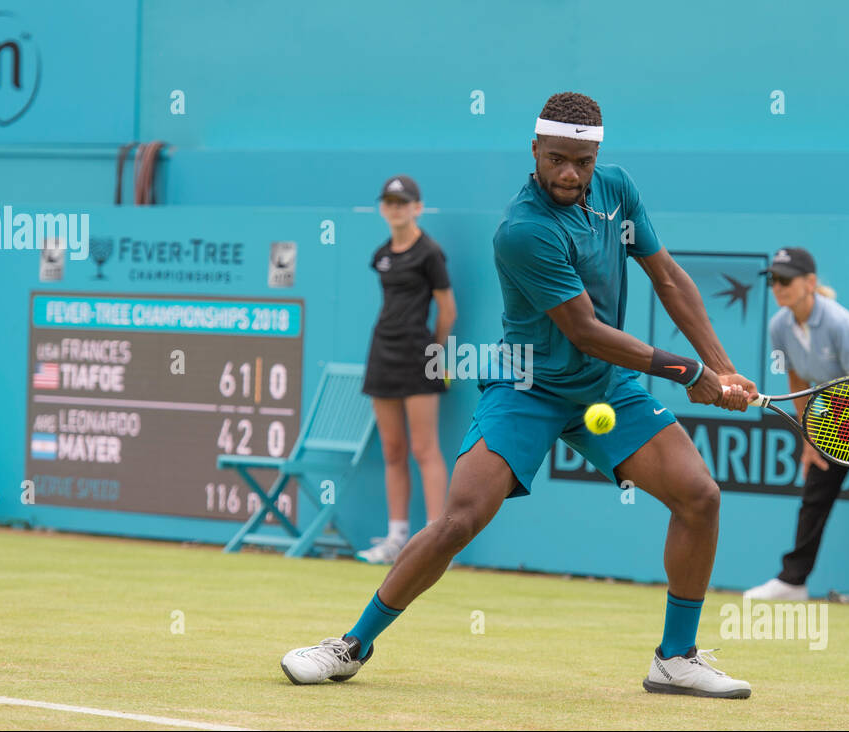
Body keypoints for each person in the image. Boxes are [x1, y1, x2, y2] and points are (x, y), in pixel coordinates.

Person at [282, 92, 759, 698]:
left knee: (699, 496)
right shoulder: (523, 231)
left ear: (597, 157)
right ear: (533, 150)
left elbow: (666, 276)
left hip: (604, 390)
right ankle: (350, 645)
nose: (569, 174)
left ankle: (676, 658)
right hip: (527, 389)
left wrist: (724, 368)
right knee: (460, 519)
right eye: (556, 159)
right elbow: (585, 330)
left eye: (582, 162)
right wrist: (692, 375)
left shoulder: (618, 191)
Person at [743, 247, 849, 610]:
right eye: (773, 280)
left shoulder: (838, 321)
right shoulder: (779, 326)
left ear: (810, 283)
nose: (778, 287)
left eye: (785, 280)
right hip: (835, 404)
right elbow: (797, 377)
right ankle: (793, 580)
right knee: (816, 491)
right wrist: (809, 439)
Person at [355, 175, 457, 565]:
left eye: (403, 202)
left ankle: (436, 540)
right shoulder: (382, 254)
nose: (395, 208)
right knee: (393, 450)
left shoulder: (431, 253)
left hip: (420, 356)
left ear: (418, 207)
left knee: (424, 448)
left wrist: (436, 352)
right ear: (383, 208)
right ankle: (397, 536)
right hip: (382, 353)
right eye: (389, 202)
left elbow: (447, 311)